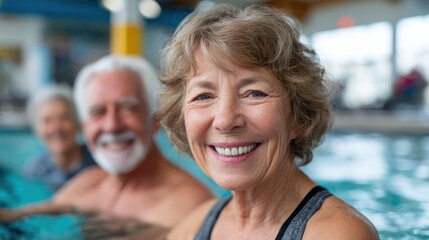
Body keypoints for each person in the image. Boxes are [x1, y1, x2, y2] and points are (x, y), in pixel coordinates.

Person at [158, 4, 380, 239]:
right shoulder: (193, 226)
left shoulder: (338, 234)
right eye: (203, 96)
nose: (225, 120)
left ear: (298, 117)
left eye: (255, 93)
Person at [0, 55, 212, 228]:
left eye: (128, 108)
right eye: (97, 112)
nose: (111, 126)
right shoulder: (87, 184)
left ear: (155, 120)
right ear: (85, 127)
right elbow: (16, 217)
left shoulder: (191, 207)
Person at [23, 84, 95, 191]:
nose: (56, 128)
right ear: (37, 129)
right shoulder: (33, 174)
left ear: (77, 123)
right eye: (47, 121)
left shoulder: (98, 163)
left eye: (64, 118)